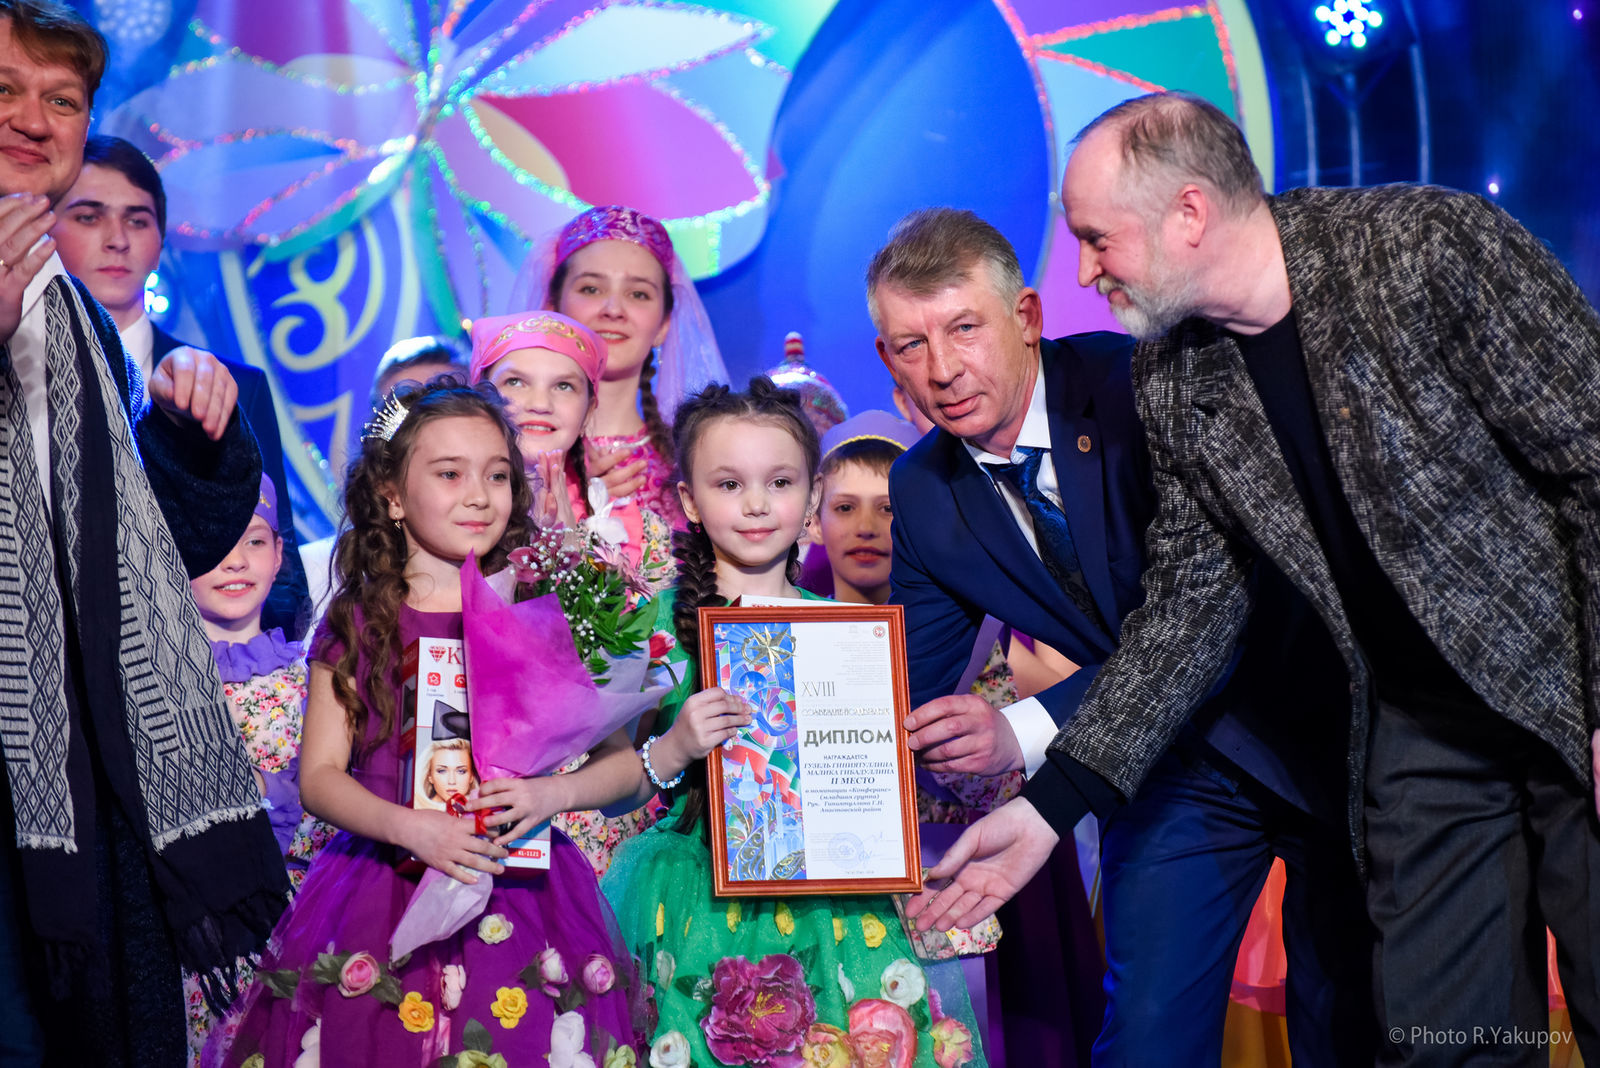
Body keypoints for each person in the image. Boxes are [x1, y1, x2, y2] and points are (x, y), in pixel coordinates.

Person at [916, 90, 1600, 1066]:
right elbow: (1192, 610)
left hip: (1561, 695)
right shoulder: (1172, 375)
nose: (1084, 271)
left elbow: (1593, 460)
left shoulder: (1425, 247)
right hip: (1414, 742)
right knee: (1451, 1043)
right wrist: (1047, 806)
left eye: (1098, 239)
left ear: (1189, 213)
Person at [875, 208, 1372, 1065]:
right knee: (1145, 1037)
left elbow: (1214, 609)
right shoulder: (922, 490)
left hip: (1313, 732)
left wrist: (1019, 730)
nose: (942, 370)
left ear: (1027, 317)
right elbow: (899, 688)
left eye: (964, 328)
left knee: (1345, 1027)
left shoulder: (1140, 388)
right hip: (1161, 772)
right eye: (910, 345)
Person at [0, 2, 288, 1063]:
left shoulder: (68, 316)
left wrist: (191, 438)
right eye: (4, 90)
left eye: (63, 99)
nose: (35, 118)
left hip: (89, 777)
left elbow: (151, 551)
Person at [210, 377, 645, 1066]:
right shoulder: (360, 620)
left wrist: (552, 794)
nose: (479, 495)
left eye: (497, 475)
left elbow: (626, 769)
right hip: (385, 884)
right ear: (391, 494)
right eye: (449, 474)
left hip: (524, 890)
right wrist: (411, 827)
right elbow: (319, 777)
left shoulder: (540, 610)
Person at [601, 378, 986, 1068]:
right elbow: (615, 790)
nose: (756, 503)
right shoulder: (654, 628)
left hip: (835, 910)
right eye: (729, 484)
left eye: (779, 482)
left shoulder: (847, 633)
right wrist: (676, 747)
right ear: (689, 500)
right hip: (692, 902)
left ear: (811, 500)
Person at [51, 133, 310, 637]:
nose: (117, 239)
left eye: (137, 220)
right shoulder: (19, 375)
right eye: (89, 217)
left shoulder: (236, 386)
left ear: (160, 242)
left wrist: (262, 674)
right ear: (48, 230)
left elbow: (284, 564)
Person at [182, 474, 337, 1063]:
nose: (235, 561)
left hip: (310, 924)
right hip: (208, 946)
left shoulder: (318, 675)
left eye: (252, 540)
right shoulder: (159, 690)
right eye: (213, 541)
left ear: (278, 554)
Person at [512, 204, 728, 530]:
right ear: (553, 308)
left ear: (664, 324)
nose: (613, 309)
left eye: (638, 294)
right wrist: (570, 502)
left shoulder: (693, 462)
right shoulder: (518, 448)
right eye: (591, 289)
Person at [468, 309, 673, 584]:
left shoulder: (621, 526)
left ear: (588, 412)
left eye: (563, 386)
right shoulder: (454, 507)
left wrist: (569, 549)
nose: (540, 404)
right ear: (480, 397)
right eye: (515, 382)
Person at [303, 336, 471, 622]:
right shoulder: (316, 571)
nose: (421, 428)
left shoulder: (517, 565)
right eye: (402, 409)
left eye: (444, 405)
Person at [419, 737, 478, 809]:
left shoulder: (480, 810)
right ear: (430, 776)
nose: (451, 781)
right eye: (442, 771)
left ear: (472, 776)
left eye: (461, 771)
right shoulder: (417, 811)